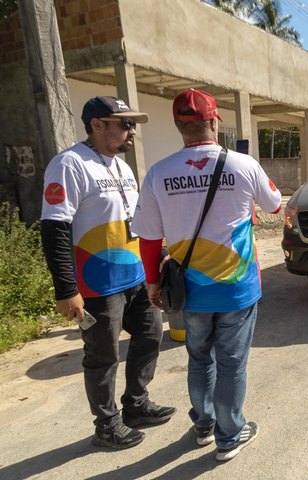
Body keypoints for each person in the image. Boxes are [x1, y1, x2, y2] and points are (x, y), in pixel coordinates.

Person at [131, 89, 282, 462]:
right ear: (214, 122)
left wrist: (152, 282)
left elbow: (148, 238)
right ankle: (229, 436)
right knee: (231, 362)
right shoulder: (243, 164)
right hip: (236, 288)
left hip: (189, 290)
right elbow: (275, 205)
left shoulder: (158, 173)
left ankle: (204, 424)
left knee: (199, 358)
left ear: (179, 125)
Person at [40, 96, 176, 450]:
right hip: (96, 284)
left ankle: (136, 404)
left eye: (133, 125)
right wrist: (66, 289)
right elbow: (54, 228)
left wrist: (158, 259)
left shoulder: (123, 168)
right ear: (97, 124)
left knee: (149, 338)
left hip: (134, 277)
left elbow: (136, 222)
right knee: (102, 356)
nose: (132, 131)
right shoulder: (69, 164)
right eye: (125, 124)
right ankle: (106, 424)